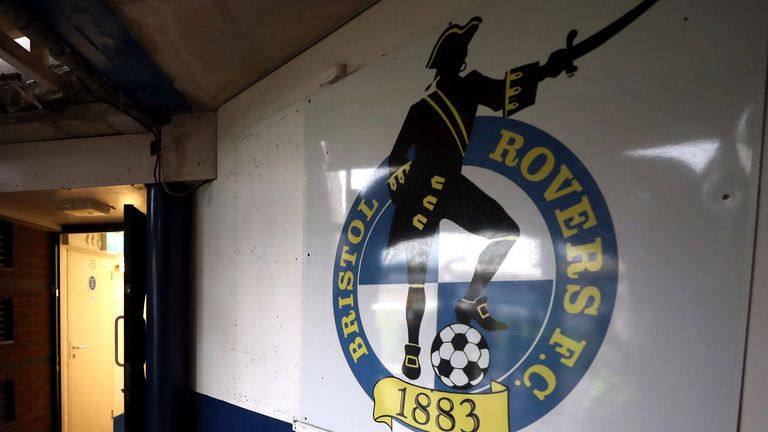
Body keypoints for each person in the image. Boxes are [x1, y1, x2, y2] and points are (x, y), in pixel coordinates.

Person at [386, 16, 574, 380]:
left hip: (448, 184)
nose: (462, 61)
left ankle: (468, 301)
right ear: (453, 62)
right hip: (423, 189)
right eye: (459, 55)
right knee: (417, 280)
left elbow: (507, 89)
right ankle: (413, 350)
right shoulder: (422, 108)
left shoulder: (468, 88)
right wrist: (406, 196)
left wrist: (549, 69)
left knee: (505, 232)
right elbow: (396, 159)